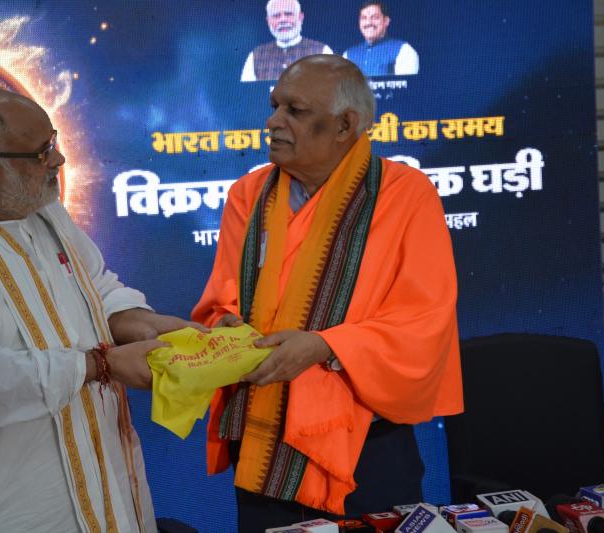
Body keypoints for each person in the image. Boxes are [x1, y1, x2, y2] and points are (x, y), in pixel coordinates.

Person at [0, 87, 197, 532]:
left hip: (99, 475)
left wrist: (141, 322)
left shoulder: (43, 209)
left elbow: (95, 285)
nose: (57, 160)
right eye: (42, 153)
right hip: (8, 506)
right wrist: (102, 365)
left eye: (53, 143)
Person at [193, 55, 462, 532]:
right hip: (264, 443)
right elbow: (222, 301)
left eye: (294, 111)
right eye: (274, 107)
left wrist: (324, 347)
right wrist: (227, 326)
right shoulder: (248, 195)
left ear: (344, 125)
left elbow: (424, 320)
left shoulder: (405, 194)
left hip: (367, 450)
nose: (273, 122)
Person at [241, 0, 333, 82]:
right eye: (276, 16)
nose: (283, 20)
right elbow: (246, 93)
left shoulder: (322, 52)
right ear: (268, 21)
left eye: (288, 14)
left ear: (300, 17)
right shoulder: (255, 56)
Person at [343, 2, 419, 76]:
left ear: (386, 21)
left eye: (375, 17)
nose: (368, 22)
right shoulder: (348, 55)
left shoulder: (403, 50)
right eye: (364, 18)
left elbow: (407, 84)